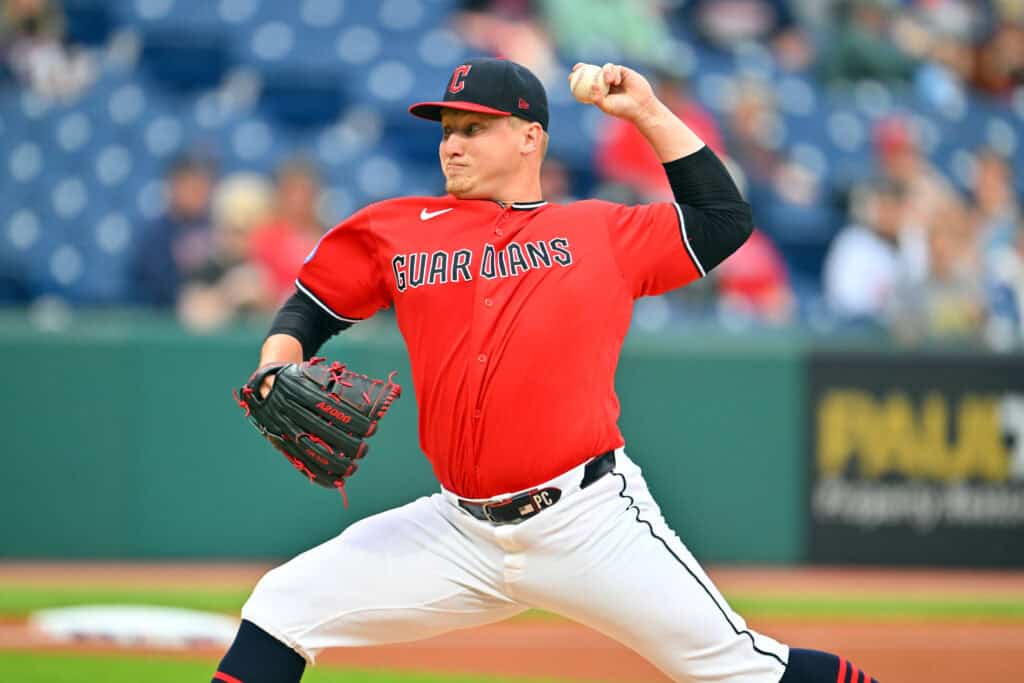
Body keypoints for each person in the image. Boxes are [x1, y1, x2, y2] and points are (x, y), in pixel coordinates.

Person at [211, 58, 880, 683]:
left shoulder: (600, 232)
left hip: (586, 522)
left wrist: (646, 110)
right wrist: (279, 358)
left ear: (530, 137)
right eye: (448, 130)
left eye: (474, 128)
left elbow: (723, 219)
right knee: (283, 603)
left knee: (743, 668)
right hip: (456, 530)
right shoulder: (402, 230)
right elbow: (314, 302)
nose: (453, 144)